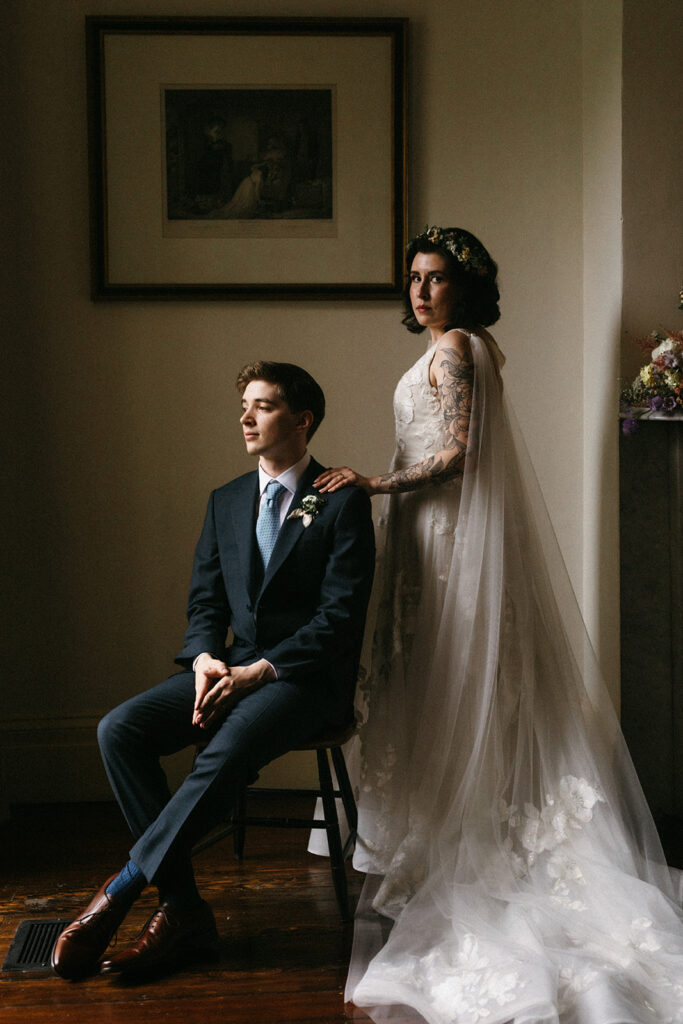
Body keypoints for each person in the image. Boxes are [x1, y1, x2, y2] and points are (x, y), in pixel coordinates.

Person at [316, 227, 683, 1023]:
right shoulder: (469, 346)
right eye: (413, 278)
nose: (420, 292)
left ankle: (463, 828)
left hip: (447, 540)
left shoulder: (455, 347)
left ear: (465, 286)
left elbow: (458, 455)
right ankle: (450, 819)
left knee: (444, 681)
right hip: (434, 537)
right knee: (443, 685)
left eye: (436, 278)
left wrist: (375, 484)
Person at [51, 361, 375, 981]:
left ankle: (119, 891)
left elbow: (339, 621)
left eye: (264, 405)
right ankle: (182, 908)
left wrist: (259, 672)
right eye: (244, 405)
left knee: (223, 750)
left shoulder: (340, 503)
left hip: (302, 681)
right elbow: (206, 603)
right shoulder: (226, 499)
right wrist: (203, 660)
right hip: (225, 669)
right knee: (118, 729)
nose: (246, 417)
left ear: (302, 420)